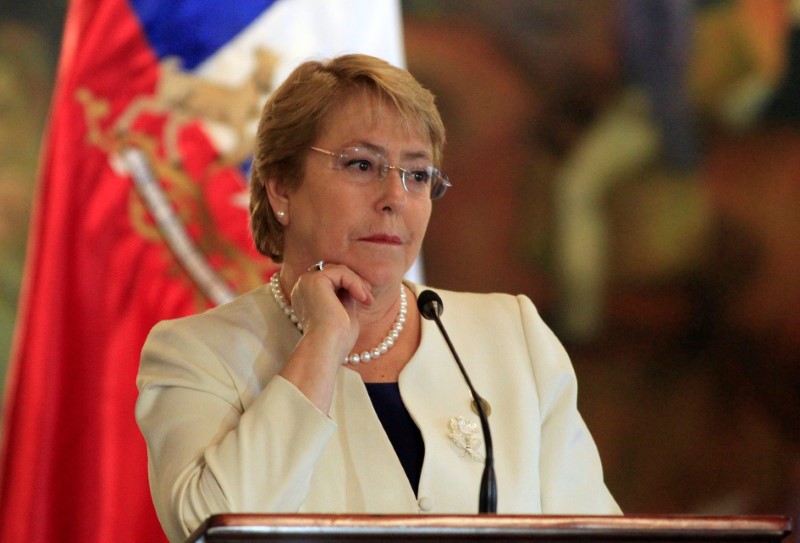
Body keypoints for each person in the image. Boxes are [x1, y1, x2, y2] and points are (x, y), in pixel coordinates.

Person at [136, 53, 621, 542]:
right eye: (362, 164)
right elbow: (206, 528)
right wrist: (323, 343)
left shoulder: (514, 336)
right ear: (282, 188)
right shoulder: (197, 354)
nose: (395, 196)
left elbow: (596, 532)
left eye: (417, 174)